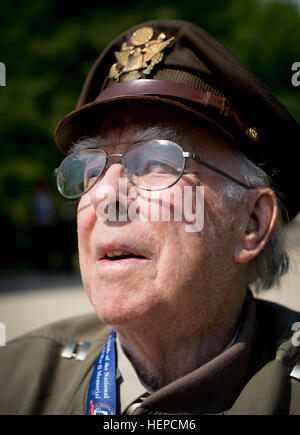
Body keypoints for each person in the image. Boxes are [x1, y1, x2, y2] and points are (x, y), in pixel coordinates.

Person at [1, 19, 300, 415]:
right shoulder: (15, 377)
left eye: (157, 161)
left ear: (252, 224)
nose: (105, 194)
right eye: (91, 169)